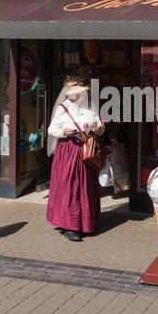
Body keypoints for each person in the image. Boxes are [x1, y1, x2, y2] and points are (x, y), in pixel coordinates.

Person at [47, 78, 105, 241]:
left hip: (86, 149)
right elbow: (52, 129)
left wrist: (99, 128)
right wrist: (63, 132)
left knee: (85, 185)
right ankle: (69, 226)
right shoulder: (63, 108)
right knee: (70, 186)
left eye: (80, 93)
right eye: (74, 94)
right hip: (68, 150)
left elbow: (98, 127)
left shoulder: (90, 107)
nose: (78, 96)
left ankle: (84, 223)